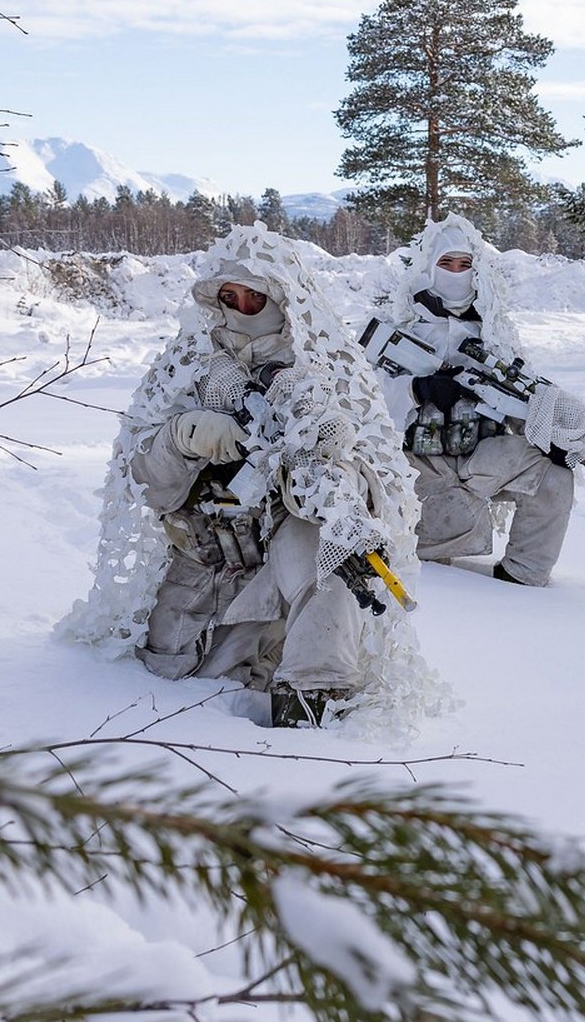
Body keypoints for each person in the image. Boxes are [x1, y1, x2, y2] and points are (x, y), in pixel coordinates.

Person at [56, 224, 424, 728]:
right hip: (208, 560)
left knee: (333, 558)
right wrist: (183, 437)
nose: (242, 307)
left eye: (256, 297)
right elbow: (144, 482)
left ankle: (311, 710)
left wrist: (330, 471)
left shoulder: (326, 369)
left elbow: (378, 479)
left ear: (285, 299)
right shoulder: (187, 366)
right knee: (163, 679)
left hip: (285, 561)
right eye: (230, 297)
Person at [370, 214, 575, 587]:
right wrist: (418, 390)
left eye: (465, 265)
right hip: (415, 464)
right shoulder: (396, 328)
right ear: (429, 267)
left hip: (480, 455)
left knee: (553, 476)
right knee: (430, 570)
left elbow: (522, 396)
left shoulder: (494, 331)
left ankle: (522, 580)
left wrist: (552, 436)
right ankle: (445, 585)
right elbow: (363, 400)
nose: (455, 273)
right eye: (446, 264)